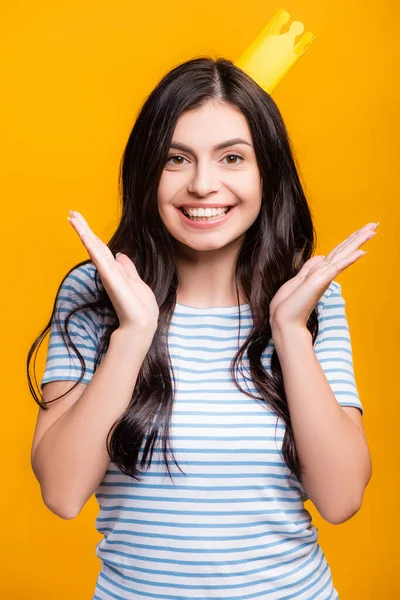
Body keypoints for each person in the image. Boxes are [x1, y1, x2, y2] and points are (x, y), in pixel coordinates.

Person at [28, 56, 373, 599]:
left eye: (232, 157)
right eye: (176, 159)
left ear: (267, 173)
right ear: (147, 172)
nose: (203, 185)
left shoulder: (311, 301)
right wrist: (133, 334)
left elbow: (341, 499)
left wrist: (289, 330)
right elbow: (63, 493)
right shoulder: (96, 293)